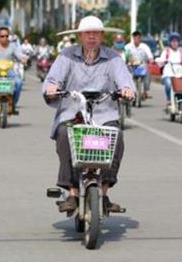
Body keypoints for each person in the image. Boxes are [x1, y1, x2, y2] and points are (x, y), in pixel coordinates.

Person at [43, 16, 135, 213]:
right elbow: (53, 79)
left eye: (96, 33)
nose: (92, 36)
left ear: (102, 36)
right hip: (72, 113)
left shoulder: (114, 58)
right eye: (87, 33)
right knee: (63, 134)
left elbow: (125, 81)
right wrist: (51, 88)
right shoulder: (66, 56)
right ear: (80, 36)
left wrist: (127, 90)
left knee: (116, 137)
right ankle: (73, 192)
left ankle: (104, 191)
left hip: (104, 114)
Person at [156, 32, 182, 109]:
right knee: (168, 83)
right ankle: (169, 99)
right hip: (168, 73)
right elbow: (160, 60)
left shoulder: (181, 51)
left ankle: (181, 99)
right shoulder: (166, 51)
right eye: (173, 41)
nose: (174, 43)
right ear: (170, 42)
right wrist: (162, 61)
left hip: (179, 73)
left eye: (176, 41)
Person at [125, 30, 154, 99]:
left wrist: (151, 59)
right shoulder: (128, 47)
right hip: (131, 66)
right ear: (133, 38)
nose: (136, 39)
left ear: (140, 38)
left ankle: (145, 91)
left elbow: (150, 56)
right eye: (135, 38)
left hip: (142, 66)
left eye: (138, 38)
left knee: (148, 74)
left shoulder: (144, 47)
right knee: (126, 76)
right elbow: (125, 56)